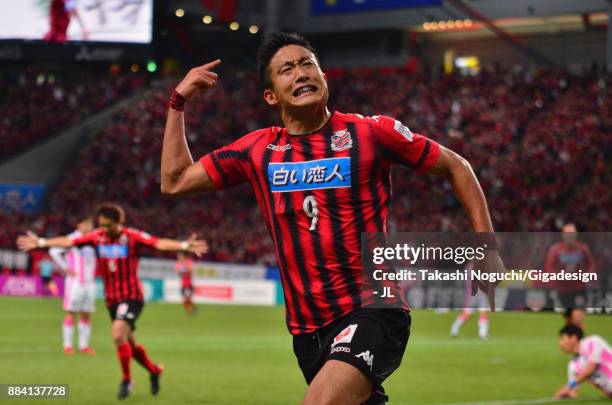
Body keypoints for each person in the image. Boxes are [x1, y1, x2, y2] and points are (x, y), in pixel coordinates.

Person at [160, 32, 504, 404]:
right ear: (271, 95)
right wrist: (178, 103)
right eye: (287, 69)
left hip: (373, 308)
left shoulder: (370, 133)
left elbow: (457, 166)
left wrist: (486, 245)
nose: (301, 73)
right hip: (307, 331)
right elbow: (175, 181)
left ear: (325, 77)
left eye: (308, 64)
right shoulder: (258, 150)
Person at [17, 203, 208, 400]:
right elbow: (68, 242)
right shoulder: (97, 237)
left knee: (118, 334)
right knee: (129, 344)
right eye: (102, 225)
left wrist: (183, 245)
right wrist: (41, 242)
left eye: (109, 226)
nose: (105, 229)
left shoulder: (131, 237)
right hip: (112, 299)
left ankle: (126, 380)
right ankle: (154, 370)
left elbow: (158, 243)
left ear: (119, 222)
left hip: (132, 296)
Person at [49, 217, 97, 355]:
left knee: (86, 314)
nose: (88, 227)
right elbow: (53, 251)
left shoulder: (93, 239)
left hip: (90, 282)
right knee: (71, 312)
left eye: (90, 224)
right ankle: (68, 345)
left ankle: (83, 346)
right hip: (75, 282)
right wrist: (65, 268)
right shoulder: (71, 239)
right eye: (86, 224)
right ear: (79, 225)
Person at [545, 223, 596, 329]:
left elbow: (592, 264)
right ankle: (571, 337)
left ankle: (579, 338)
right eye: (567, 234)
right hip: (563, 290)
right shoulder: (556, 249)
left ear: (576, 234)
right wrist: (556, 276)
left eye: (572, 234)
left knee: (578, 316)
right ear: (563, 235)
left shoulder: (583, 248)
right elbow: (549, 267)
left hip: (579, 288)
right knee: (568, 318)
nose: (570, 236)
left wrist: (589, 275)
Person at [554, 325, 612, 399]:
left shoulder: (593, 342)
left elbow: (590, 369)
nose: (560, 343)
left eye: (562, 338)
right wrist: (567, 393)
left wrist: (567, 387)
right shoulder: (573, 366)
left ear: (574, 338)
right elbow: (573, 389)